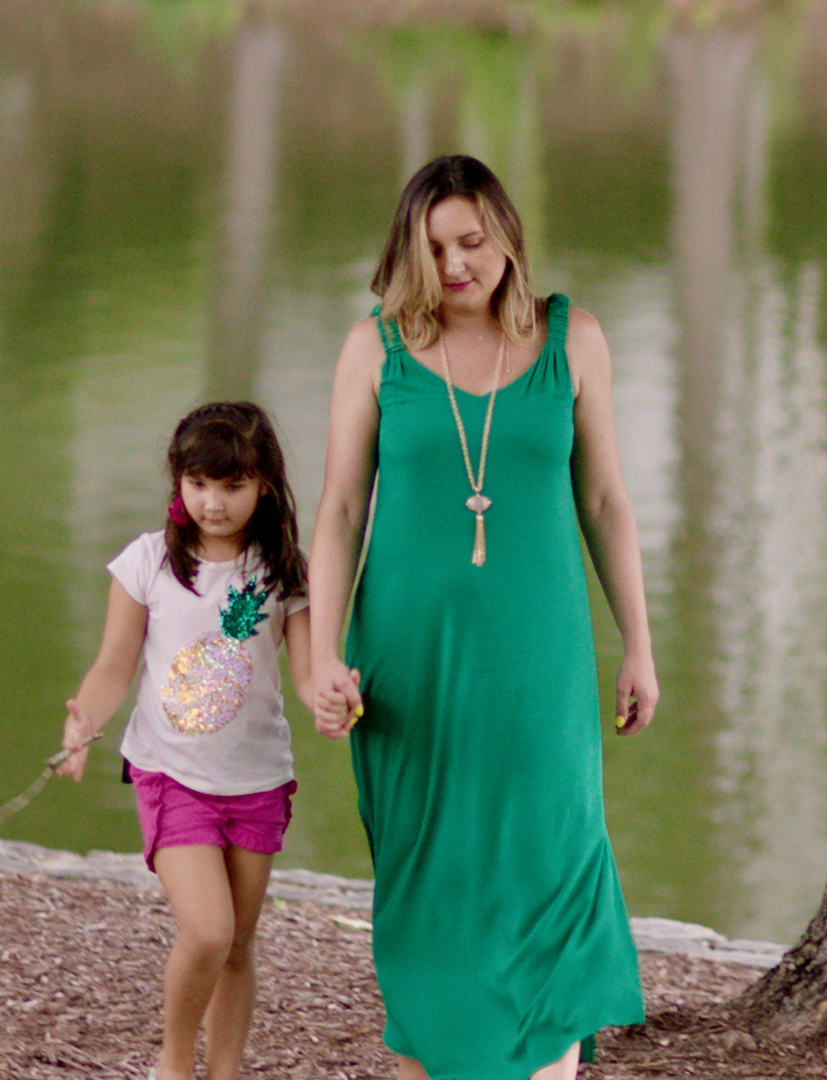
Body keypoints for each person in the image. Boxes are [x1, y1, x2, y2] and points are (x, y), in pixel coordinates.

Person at [307, 155, 657, 1080]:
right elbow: (341, 511)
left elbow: (607, 502)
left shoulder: (572, 339)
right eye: (434, 248)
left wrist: (639, 646)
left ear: (507, 234)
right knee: (431, 885)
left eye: (472, 240)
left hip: (540, 661)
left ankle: (544, 1066)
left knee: (554, 854)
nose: (456, 263)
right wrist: (320, 658)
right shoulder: (372, 348)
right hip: (409, 667)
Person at [56, 401, 312, 1080]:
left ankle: (224, 1071)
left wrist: (336, 700)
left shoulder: (281, 571)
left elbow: (311, 674)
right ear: (179, 483)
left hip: (257, 779)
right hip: (170, 774)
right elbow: (115, 665)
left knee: (238, 945)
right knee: (208, 930)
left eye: (232, 486)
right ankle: (173, 1064)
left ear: (264, 485)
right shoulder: (146, 562)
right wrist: (85, 719)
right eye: (199, 484)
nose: (214, 502)